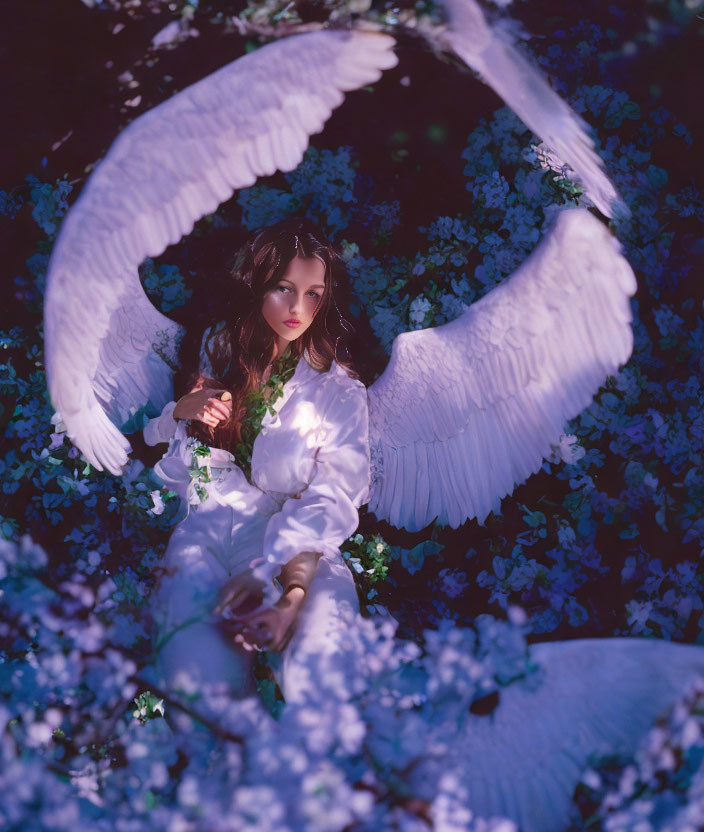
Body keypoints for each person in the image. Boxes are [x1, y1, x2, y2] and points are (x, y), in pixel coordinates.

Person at [142, 218, 370, 708]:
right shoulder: (219, 347)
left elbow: (335, 496)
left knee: (320, 677)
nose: (297, 308)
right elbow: (161, 449)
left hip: (298, 551)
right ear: (256, 285)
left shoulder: (337, 390)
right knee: (196, 681)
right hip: (206, 532)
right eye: (283, 289)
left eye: (314, 294)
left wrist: (288, 594)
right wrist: (178, 412)